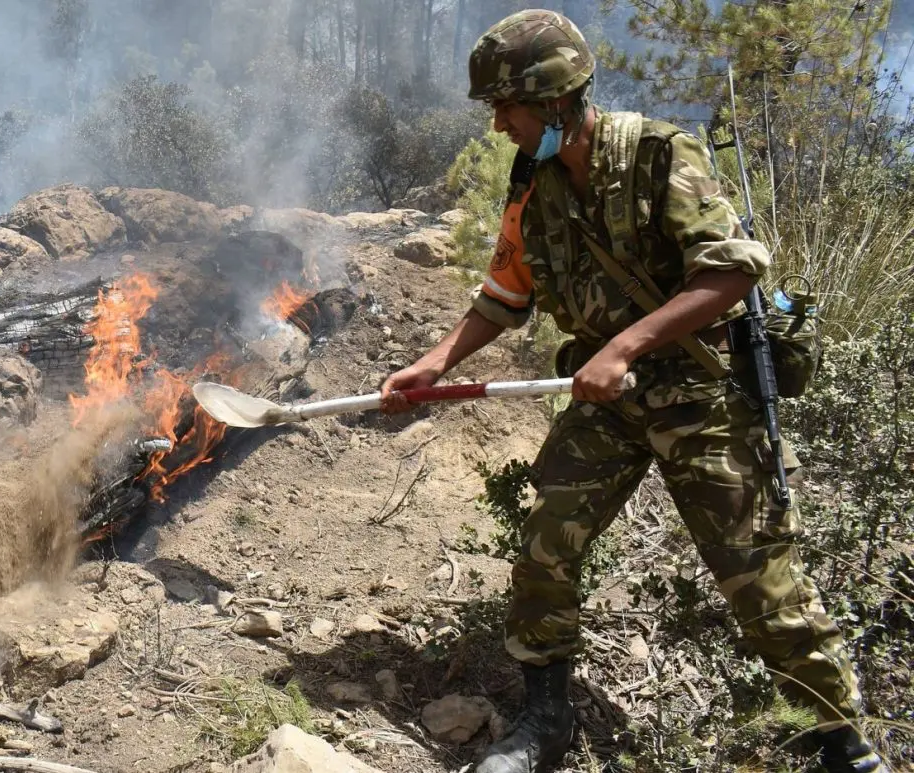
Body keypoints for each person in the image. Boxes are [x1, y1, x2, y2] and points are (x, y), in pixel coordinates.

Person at [378, 9, 887, 773]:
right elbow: (503, 295)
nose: (496, 127)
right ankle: (546, 722)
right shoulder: (534, 184)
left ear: (552, 102)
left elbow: (732, 267)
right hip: (606, 399)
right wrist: (435, 361)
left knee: (758, 574)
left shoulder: (658, 154)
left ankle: (840, 741)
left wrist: (624, 346)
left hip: (698, 392)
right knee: (549, 541)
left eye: (504, 108)